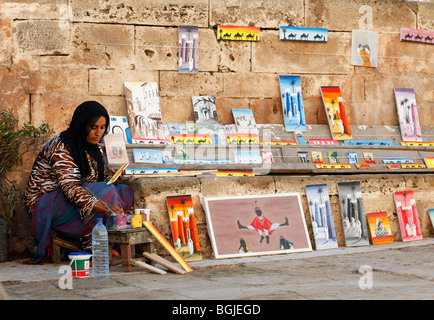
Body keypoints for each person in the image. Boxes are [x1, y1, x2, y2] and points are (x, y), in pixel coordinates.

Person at [24, 101, 133, 264]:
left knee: (124, 190)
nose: (98, 133)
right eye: (93, 127)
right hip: (45, 205)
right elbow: (71, 188)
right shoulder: (61, 146)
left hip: (72, 198)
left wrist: (112, 179)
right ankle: (93, 244)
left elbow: (91, 181)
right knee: (106, 193)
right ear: (82, 126)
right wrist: (106, 207)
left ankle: (101, 240)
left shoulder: (94, 147)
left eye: (102, 128)